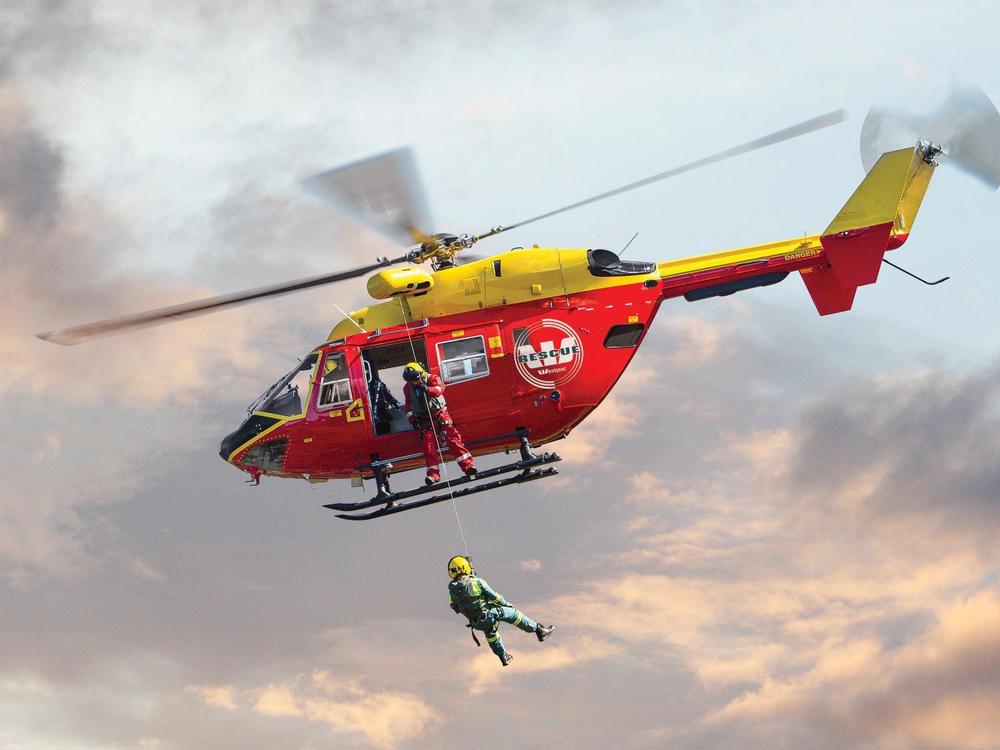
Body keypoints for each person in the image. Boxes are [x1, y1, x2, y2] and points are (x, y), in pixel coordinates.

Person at [447, 555, 554, 667]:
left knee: (491, 635)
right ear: (465, 567)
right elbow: (495, 597)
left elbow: (459, 605)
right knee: (514, 614)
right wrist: (507, 605)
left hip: (476, 623)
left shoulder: (451, 591)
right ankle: (539, 630)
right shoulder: (477, 582)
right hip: (490, 615)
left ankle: (503, 657)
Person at [402, 362, 476, 484]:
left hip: (440, 415)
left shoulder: (432, 378)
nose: (414, 382)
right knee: (428, 447)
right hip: (424, 420)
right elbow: (408, 405)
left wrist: (427, 389)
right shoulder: (407, 388)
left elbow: (439, 390)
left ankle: (468, 466)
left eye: (415, 379)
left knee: (453, 440)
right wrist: (412, 420)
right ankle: (433, 475)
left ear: (421, 374)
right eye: (411, 380)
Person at [365, 361, 401, 435]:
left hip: (380, 411)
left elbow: (385, 393)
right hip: (374, 413)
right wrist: (393, 401)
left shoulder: (377, 383)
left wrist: (394, 402)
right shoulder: (370, 383)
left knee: (384, 424)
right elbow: (386, 393)